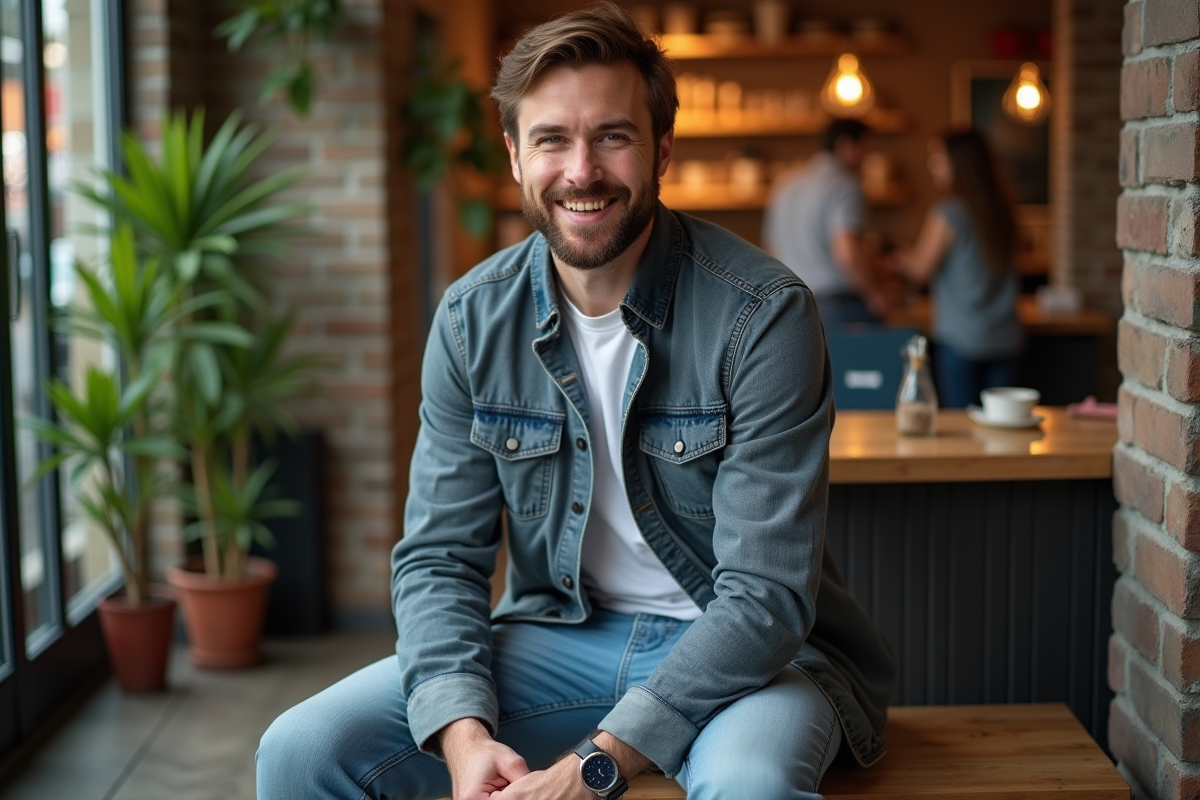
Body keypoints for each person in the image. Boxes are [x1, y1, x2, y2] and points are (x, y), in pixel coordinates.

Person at [255, 4, 894, 799]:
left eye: (613, 137)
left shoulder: (761, 314)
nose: (581, 170)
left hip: (749, 655)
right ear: (515, 155)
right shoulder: (469, 319)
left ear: (662, 149)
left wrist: (598, 767)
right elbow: (439, 558)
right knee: (300, 750)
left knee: (751, 788)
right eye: (552, 138)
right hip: (559, 635)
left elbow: (765, 598)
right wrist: (461, 735)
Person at [890, 129, 1023, 409]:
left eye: (938, 158)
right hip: (1006, 338)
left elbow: (920, 269)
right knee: (1003, 429)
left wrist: (898, 256)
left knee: (962, 432)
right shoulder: (1004, 209)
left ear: (958, 163)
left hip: (962, 340)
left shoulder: (948, 212)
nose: (932, 165)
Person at [762, 118, 890, 327]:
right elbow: (847, 253)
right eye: (864, 150)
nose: (865, 159)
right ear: (845, 146)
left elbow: (771, 249)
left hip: (789, 306)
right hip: (837, 307)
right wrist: (875, 295)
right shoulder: (845, 184)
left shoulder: (785, 184)